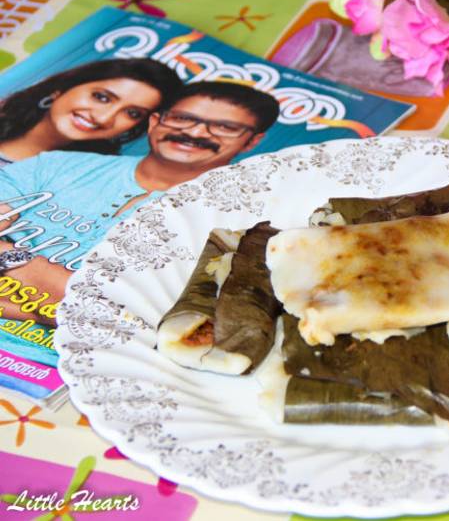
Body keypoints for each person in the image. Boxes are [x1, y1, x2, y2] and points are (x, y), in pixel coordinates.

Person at [0, 81, 280, 365]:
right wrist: (57, 297)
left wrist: (13, 263)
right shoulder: (56, 165)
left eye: (224, 127)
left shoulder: (232, 224)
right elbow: (93, 307)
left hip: (58, 373)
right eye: (183, 118)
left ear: (251, 141)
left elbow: (133, 320)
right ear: (155, 121)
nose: (195, 133)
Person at [0, 58, 183, 165]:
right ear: (62, 88)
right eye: (102, 97)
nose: (103, 117)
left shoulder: (81, 183)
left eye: (132, 113)